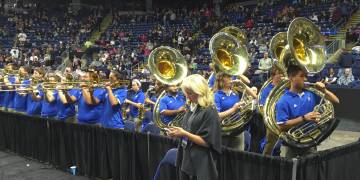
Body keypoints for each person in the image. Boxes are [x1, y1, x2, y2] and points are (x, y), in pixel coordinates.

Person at [275, 65, 339, 158]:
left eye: (305, 76)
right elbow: (281, 126)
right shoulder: (283, 100)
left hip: (310, 143)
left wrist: (324, 90)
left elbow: (336, 101)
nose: (305, 79)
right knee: (289, 172)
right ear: (291, 78)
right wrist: (304, 118)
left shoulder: (311, 93)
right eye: (301, 76)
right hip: (290, 145)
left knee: (310, 171)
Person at [167, 74, 221, 180]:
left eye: (190, 93)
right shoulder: (192, 107)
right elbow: (188, 131)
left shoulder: (210, 111)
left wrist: (184, 134)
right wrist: (177, 134)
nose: (187, 96)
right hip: (187, 157)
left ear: (199, 92)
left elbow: (207, 142)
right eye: (186, 92)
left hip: (201, 162)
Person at [213, 72, 257, 150]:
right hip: (224, 131)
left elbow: (254, 97)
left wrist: (242, 84)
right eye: (229, 77)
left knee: (238, 156)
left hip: (238, 129)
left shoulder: (235, 92)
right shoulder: (216, 95)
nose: (232, 79)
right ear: (221, 80)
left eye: (231, 77)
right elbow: (217, 116)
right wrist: (233, 109)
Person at [258, 66, 284, 155]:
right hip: (273, 122)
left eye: (282, 73)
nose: (281, 76)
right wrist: (271, 120)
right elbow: (262, 108)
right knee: (270, 145)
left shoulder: (285, 88)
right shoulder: (267, 90)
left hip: (285, 119)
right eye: (279, 74)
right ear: (272, 76)